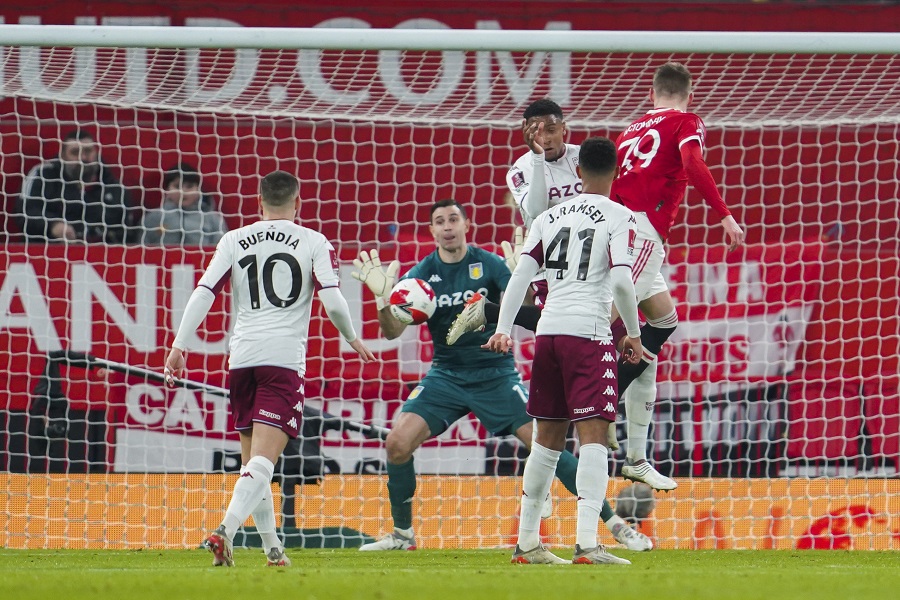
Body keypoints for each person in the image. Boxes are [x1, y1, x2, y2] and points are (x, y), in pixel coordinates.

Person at [351, 198, 651, 553]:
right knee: (397, 444)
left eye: (453, 219)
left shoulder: (490, 264)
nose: (447, 227)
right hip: (446, 375)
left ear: (466, 225)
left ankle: (616, 525)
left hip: (495, 374)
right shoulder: (420, 275)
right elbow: (390, 333)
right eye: (440, 221)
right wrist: (383, 300)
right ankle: (402, 535)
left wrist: (526, 283)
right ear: (432, 230)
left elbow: (529, 311)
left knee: (545, 445)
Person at [163, 170, 375, 567]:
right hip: (282, 360)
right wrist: (351, 337)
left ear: (259, 202)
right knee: (264, 462)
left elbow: (204, 291)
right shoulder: (314, 241)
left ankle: (273, 549)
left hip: (241, 360)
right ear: (298, 203)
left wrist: (179, 344)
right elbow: (332, 300)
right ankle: (224, 530)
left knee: (252, 466)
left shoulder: (233, 239)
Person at [484, 136, 643, 565]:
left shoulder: (548, 217)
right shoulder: (620, 216)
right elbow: (623, 281)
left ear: (578, 171)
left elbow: (521, 276)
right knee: (594, 438)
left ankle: (527, 543)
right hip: (588, 333)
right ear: (617, 172)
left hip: (549, 333)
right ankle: (587, 543)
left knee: (547, 442)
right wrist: (632, 333)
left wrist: (502, 328)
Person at [606, 61, 744, 490]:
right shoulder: (687, 121)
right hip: (641, 232)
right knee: (599, 324)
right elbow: (692, 161)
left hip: (618, 228)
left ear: (651, 94)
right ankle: (595, 403)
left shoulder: (628, 131)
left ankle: (636, 457)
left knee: (661, 324)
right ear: (690, 94)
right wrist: (724, 214)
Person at [18, 129, 134, 243]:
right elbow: (23, 212)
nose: (83, 158)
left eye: (88, 151)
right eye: (75, 152)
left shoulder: (114, 187)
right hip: (48, 249)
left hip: (101, 252)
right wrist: (53, 225)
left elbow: (125, 231)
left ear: (96, 153)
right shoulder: (43, 175)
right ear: (63, 156)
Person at [142, 162, 228, 246]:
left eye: (189, 186)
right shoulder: (153, 218)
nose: (183, 192)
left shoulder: (213, 219)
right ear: (167, 190)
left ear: (198, 189)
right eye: (177, 186)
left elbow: (222, 250)